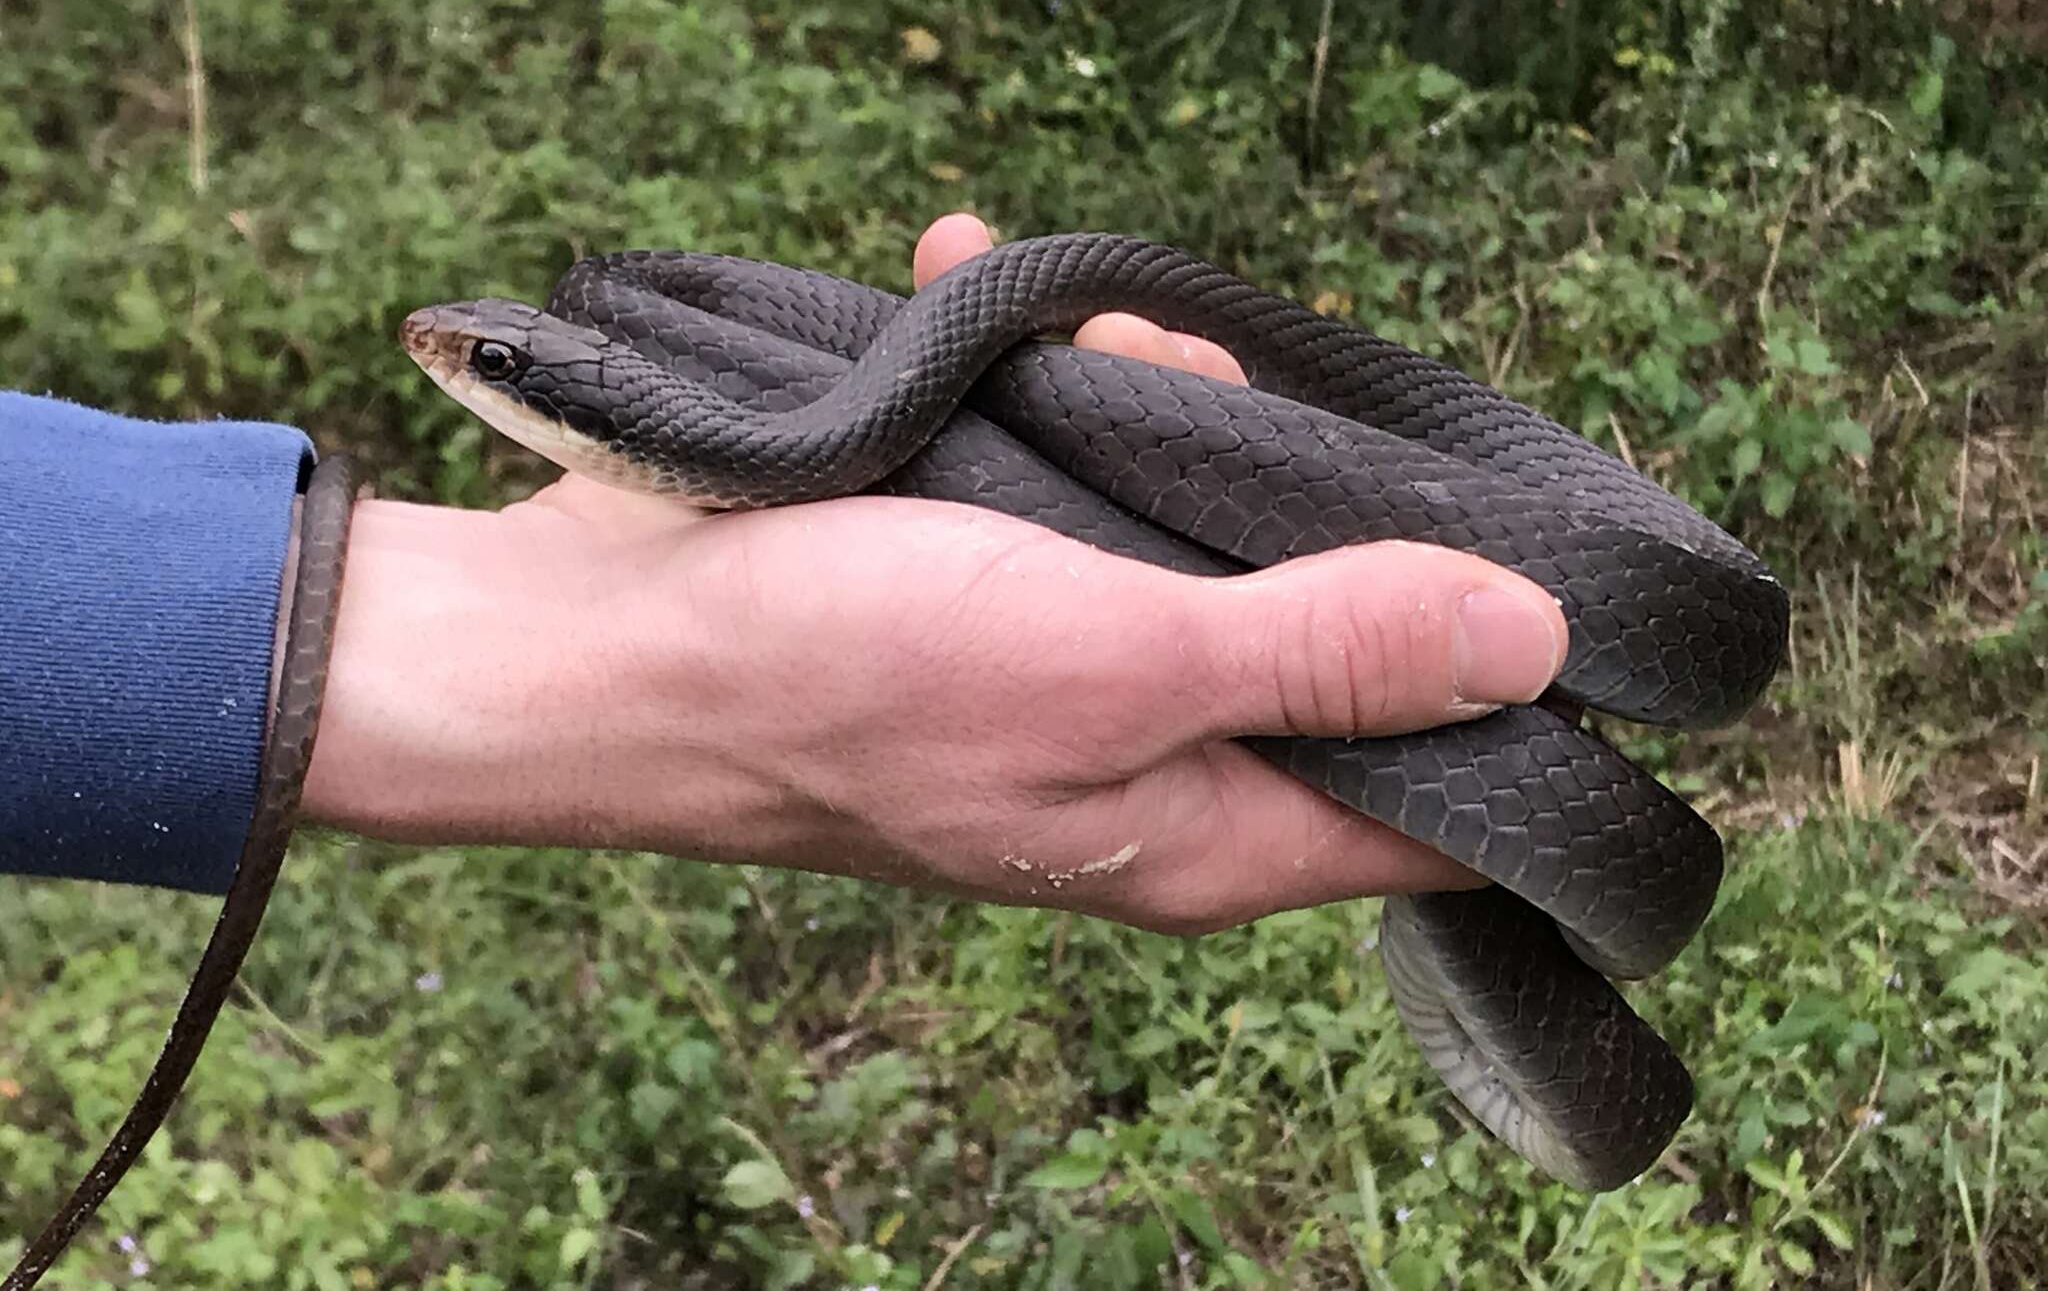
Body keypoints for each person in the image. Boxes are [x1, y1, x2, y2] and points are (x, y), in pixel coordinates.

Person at [1, 214, 1566, 932]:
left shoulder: (775, 417)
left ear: (593, 419)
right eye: (493, 361)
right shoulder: (742, 396)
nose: (445, 360)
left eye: (486, 370)